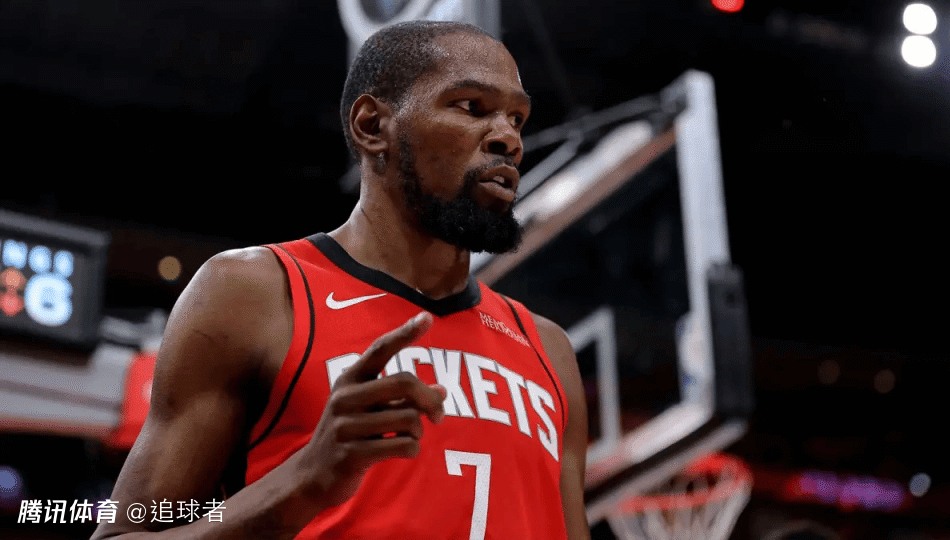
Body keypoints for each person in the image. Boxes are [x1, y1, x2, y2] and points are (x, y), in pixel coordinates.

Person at [91, 20, 590, 540]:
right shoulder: (255, 295)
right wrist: (302, 482)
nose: (509, 139)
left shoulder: (548, 351)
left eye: (517, 118)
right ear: (372, 125)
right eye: (473, 107)